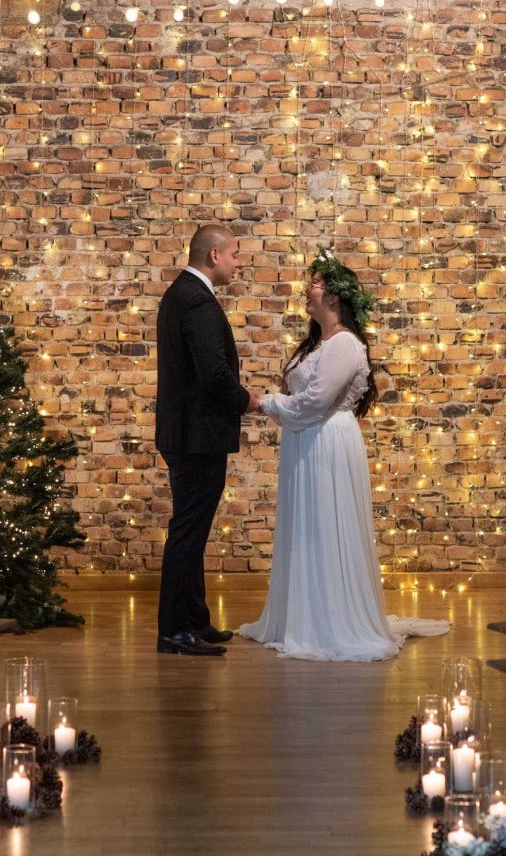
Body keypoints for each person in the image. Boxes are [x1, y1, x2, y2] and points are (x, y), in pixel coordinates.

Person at [239, 247, 449, 661]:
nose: (306, 289)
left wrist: (265, 404)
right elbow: (302, 401)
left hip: (327, 442)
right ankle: (302, 615)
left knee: (326, 525)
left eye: (314, 283)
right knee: (307, 525)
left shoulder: (345, 345)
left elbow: (315, 402)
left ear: (334, 297)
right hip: (307, 441)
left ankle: (330, 622)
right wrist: (280, 407)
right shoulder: (317, 344)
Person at [155, 224, 259, 656]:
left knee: (192, 531)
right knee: (188, 532)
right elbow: (213, 372)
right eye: (234, 254)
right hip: (196, 436)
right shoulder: (195, 300)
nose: (238, 262)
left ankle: (195, 621)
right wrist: (245, 401)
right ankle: (174, 629)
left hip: (187, 433)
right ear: (213, 255)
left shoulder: (182, 293)